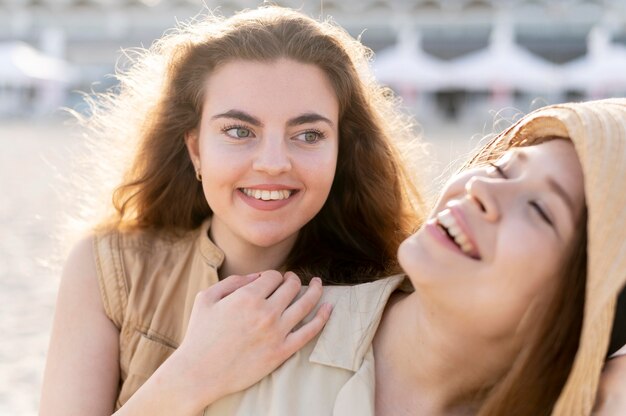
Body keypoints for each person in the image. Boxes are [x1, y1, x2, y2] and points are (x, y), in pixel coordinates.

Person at [39, 6, 427, 415]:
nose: (273, 162)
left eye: (309, 134)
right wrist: (195, 372)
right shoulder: (110, 269)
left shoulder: (391, 301)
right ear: (196, 149)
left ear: (340, 153)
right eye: (239, 131)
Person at [192, 98, 626, 415]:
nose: (483, 190)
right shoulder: (254, 329)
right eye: (501, 168)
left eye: (539, 209)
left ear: (593, 298)